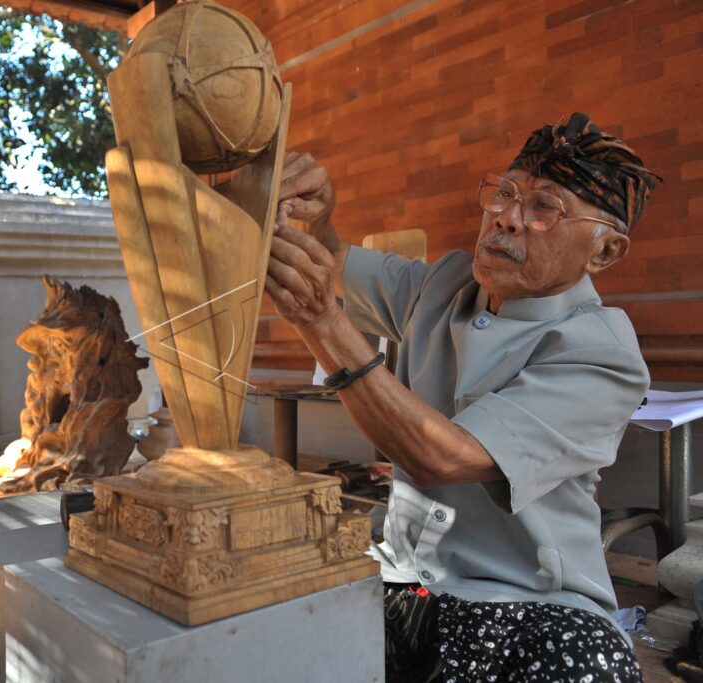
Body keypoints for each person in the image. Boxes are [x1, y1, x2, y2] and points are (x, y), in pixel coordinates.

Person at [267, 112, 661, 682]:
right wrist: (316, 222)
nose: (507, 217)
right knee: (270, 636)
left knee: (585, 665)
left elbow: (443, 457)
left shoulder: (602, 350)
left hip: (528, 602)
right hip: (408, 583)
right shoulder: (447, 282)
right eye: (504, 193)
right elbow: (332, 265)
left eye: (543, 208)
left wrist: (324, 326)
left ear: (604, 252)